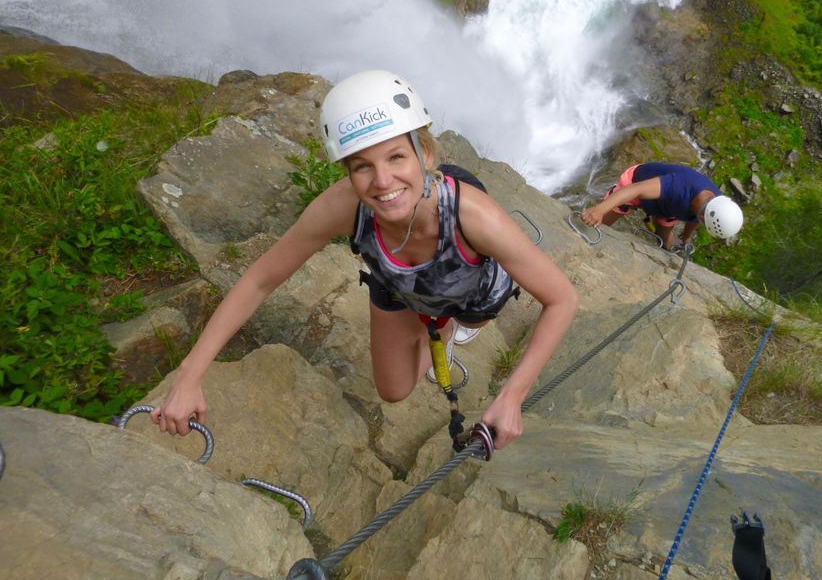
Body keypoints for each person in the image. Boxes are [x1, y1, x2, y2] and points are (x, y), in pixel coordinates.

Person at [152, 70, 578, 450]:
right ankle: (438, 326)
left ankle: (450, 327)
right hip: (398, 284)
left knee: (465, 317)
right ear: (347, 173)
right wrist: (189, 375)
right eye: (362, 167)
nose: (382, 181)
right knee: (393, 390)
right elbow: (260, 280)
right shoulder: (342, 208)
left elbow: (562, 299)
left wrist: (512, 397)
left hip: (473, 286)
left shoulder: (475, 216)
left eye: (396, 157)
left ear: (424, 155)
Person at [580, 162, 743, 249]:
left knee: (666, 242)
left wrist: (686, 239)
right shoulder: (679, 187)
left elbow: (695, 220)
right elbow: (635, 189)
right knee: (595, 226)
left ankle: (663, 247)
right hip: (636, 183)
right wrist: (600, 210)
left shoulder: (714, 205)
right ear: (704, 215)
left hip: (668, 206)